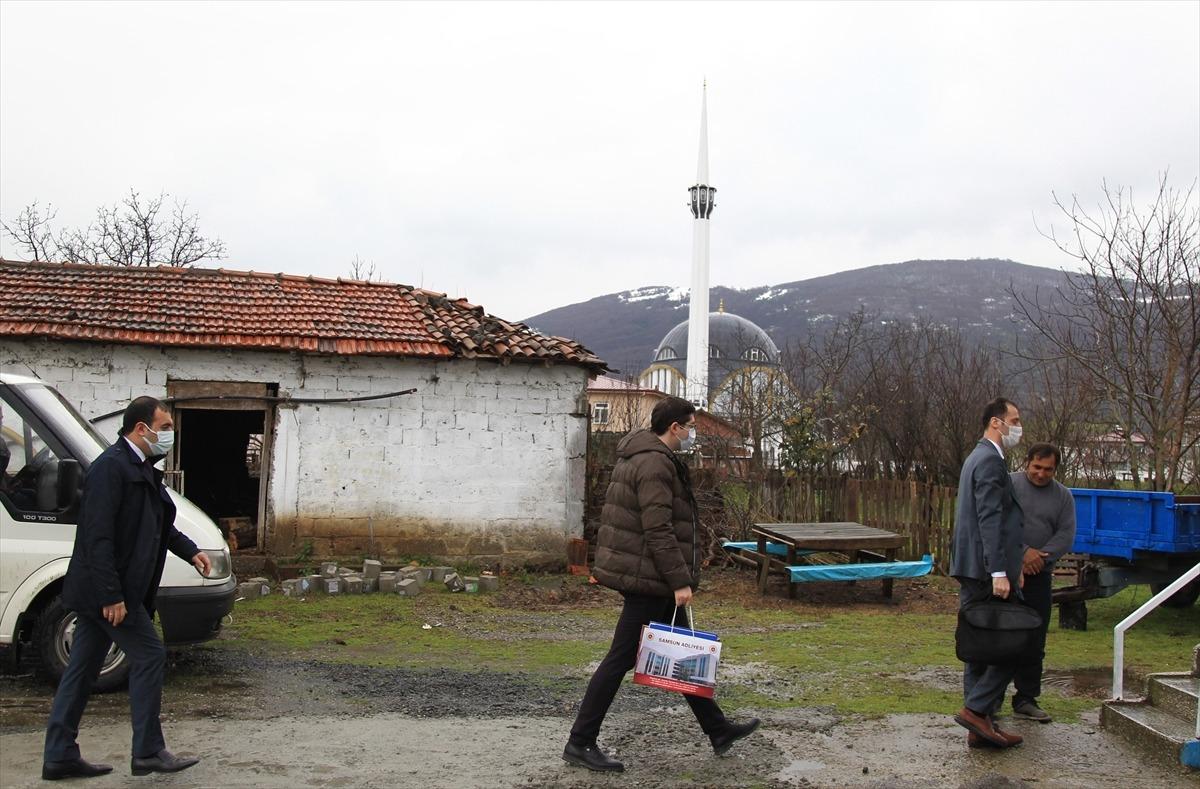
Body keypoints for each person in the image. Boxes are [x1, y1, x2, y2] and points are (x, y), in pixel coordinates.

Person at [563, 396, 760, 772]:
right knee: (620, 658)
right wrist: (679, 580)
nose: (692, 433)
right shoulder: (654, 463)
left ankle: (718, 729)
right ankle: (580, 741)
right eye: (690, 426)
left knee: (683, 651)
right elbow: (658, 529)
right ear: (675, 428)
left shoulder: (643, 455)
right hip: (648, 578)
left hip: (647, 574)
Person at [42, 396, 212, 780]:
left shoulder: (142, 468)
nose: (169, 435)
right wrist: (112, 596)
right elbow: (96, 537)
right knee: (150, 654)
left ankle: (59, 755)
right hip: (109, 592)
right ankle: (148, 750)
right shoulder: (110, 470)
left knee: (81, 671)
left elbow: (157, 523)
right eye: (165, 428)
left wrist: (191, 551)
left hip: (109, 591)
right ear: (141, 429)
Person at [949, 397, 1026, 749]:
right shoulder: (990, 462)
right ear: (996, 422)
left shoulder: (975, 458)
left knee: (979, 646)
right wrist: (1000, 571)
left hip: (971, 566)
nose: (1017, 426)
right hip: (984, 569)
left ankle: (979, 726)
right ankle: (978, 710)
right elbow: (990, 519)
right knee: (1016, 642)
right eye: (1014, 419)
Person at [1006, 442, 1076, 723]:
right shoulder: (1009, 484)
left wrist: (1040, 559)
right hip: (1006, 572)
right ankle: (990, 697)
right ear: (1027, 463)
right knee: (999, 635)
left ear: (1055, 469)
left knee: (1034, 639)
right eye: (1037, 467)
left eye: (1048, 469)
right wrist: (1023, 552)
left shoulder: (1063, 496)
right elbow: (997, 522)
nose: (1041, 474)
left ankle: (1026, 697)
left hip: (1040, 576)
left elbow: (1066, 534)